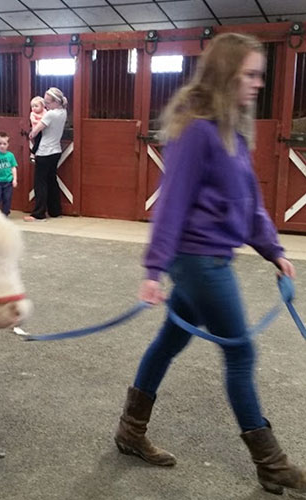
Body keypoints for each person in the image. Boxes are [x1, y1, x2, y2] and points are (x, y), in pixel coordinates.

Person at [114, 33, 306, 495]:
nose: (259, 83)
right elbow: (172, 203)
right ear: (226, 73)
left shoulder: (231, 130)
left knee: (169, 341)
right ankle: (272, 464)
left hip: (212, 255)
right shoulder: (196, 129)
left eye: (261, 74)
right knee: (241, 352)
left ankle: (129, 431)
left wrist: (272, 249)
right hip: (198, 259)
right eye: (251, 74)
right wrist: (153, 269)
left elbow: (249, 201)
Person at [24, 87, 67, 222]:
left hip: (44, 151)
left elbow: (35, 131)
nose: (46, 105)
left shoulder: (50, 115)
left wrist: (30, 133)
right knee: (51, 180)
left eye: (48, 103)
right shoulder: (63, 112)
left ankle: (38, 213)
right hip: (56, 150)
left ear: (55, 102)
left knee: (40, 182)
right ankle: (55, 210)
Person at [29, 95, 46, 160]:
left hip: (44, 130)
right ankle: (33, 153)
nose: (34, 108)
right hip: (37, 131)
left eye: (36, 106)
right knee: (37, 142)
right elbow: (33, 120)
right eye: (32, 106)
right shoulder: (32, 114)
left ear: (42, 106)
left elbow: (47, 118)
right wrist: (41, 121)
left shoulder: (45, 111)